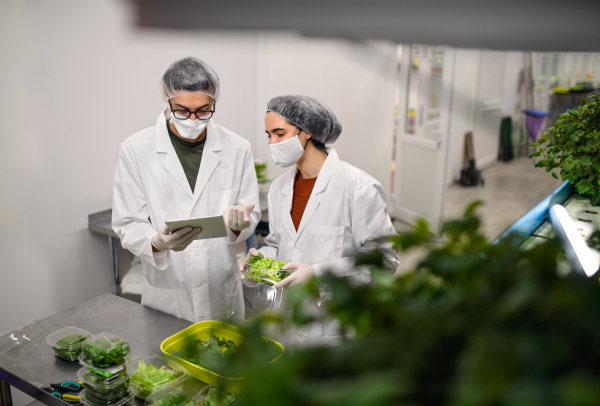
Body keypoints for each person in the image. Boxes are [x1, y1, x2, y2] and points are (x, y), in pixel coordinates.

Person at [241, 95, 399, 345]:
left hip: (336, 325)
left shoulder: (358, 187)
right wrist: (263, 258)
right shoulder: (279, 188)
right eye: (268, 135)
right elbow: (280, 244)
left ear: (306, 133)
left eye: (279, 134)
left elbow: (383, 260)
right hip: (288, 321)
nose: (272, 143)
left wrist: (318, 273)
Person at [112, 57, 260, 323]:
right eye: (182, 110)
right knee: (168, 360)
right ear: (166, 98)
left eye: (204, 110)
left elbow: (251, 212)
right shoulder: (136, 148)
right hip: (169, 286)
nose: (193, 119)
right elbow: (127, 222)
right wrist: (156, 242)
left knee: (223, 360)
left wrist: (240, 225)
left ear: (214, 102)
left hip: (219, 282)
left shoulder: (237, 147)